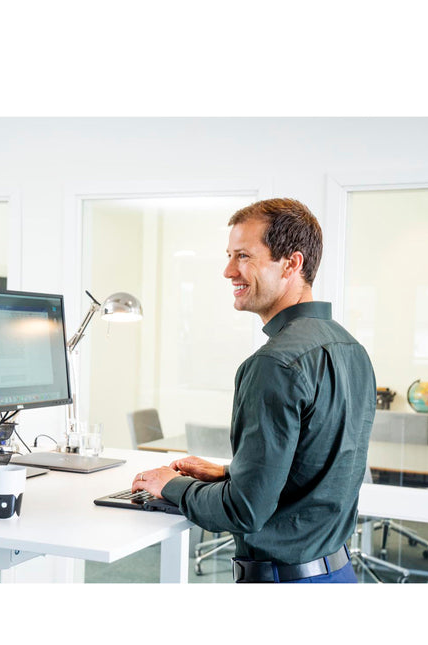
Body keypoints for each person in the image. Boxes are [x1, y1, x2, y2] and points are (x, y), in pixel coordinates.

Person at [132, 198, 376, 583]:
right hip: (338, 573)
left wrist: (171, 486)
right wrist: (230, 473)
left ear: (291, 264)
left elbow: (244, 510)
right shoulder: (352, 349)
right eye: (229, 256)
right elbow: (315, 473)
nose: (229, 270)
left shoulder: (274, 363)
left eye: (243, 256)